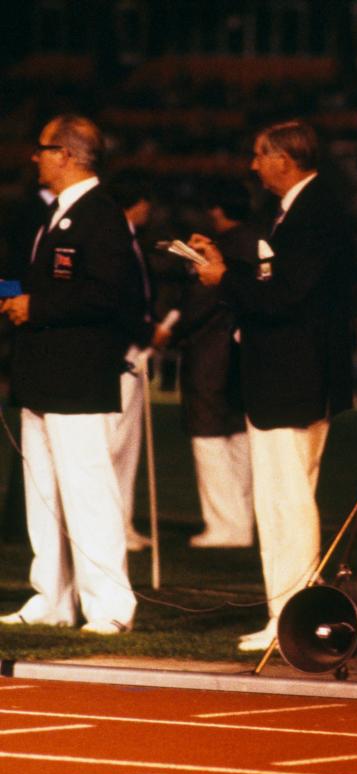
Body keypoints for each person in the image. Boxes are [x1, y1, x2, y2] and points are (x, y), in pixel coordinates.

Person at [188, 120, 353, 652]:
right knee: (287, 498)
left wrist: (223, 282)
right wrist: (225, 265)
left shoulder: (314, 212)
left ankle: (290, 616)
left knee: (286, 502)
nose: (254, 167)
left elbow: (284, 296)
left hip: (291, 378)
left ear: (284, 157)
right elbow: (278, 281)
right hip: (294, 377)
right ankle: (287, 612)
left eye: (260, 155)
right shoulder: (305, 210)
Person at [0, 114, 143, 633]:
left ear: (67, 154)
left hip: (77, 375)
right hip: (45, 373)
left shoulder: (100, 214)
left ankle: (109, 605)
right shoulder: (59, 213)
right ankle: (51, 597)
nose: (34, 157)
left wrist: (36, 306)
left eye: (42, 148)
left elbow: (109, 295)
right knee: (44, 491)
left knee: (87, 491)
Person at [168, 178, 255, 549]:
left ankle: (225, 525)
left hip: (210, 354)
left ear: (217, 210)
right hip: (246, 355)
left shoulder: (221, 248)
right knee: (240, 436)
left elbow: (198, 306)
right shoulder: (257, 240)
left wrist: (171, 330)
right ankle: (242, 521)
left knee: (208, 437)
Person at [106, 171, 168, 552]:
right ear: (138, 203)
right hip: (121, 351)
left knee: (126, 447)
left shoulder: (131, 241)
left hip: (133, 349)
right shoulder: (116, 242)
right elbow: (119, 301)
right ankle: (114, 525)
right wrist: (147, 332)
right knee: (113, 445)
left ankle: (122, 523)